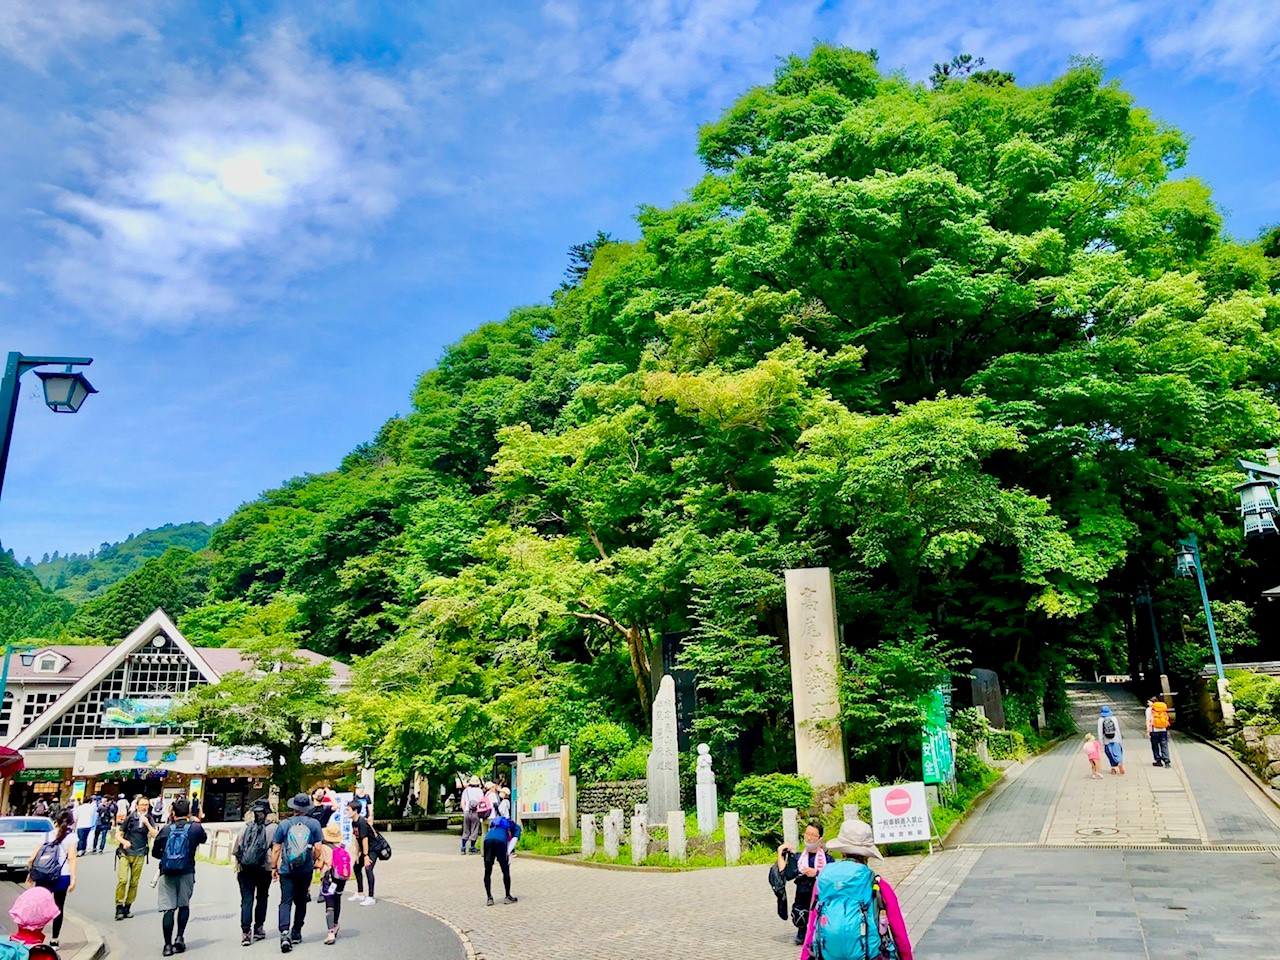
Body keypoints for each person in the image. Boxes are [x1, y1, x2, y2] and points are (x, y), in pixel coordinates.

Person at [799, 818, 912, 960]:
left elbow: (812, 928)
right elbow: (899, 933)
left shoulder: (823, 881)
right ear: (867, 855)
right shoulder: (877, 884)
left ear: (842, 852)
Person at [152, 796, 207, 957]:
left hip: (167, 872)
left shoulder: (166, 829)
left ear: (173, 813)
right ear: (189, 812)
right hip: (187, 870)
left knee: (168, 909)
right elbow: (203, 839)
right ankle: (180, 937)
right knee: (184, 905)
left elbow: (155, 852)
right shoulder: (195, 828)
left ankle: (167, 946)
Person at [271, 793, 323, 952]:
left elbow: (276, 849)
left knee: (285, 901)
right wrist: (313, 859)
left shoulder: (284, 824)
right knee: (301, 901)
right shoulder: (314, 824)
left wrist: (274, 867)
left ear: (293, 807)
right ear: (307, 808)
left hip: (287, 869)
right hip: (305, 870)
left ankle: (284, 933)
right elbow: (319, 848)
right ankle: (297, 932)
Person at [27, 809, 77, 950]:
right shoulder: (71, 838)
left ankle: (36, 936)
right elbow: (72, 859)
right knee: (58, 907)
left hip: (44, 876)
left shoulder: (46, 836)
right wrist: (73, 879)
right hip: (62, 875)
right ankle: (54, 940)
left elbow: (32, 858)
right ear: (71, 822)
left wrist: (31, 875)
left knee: (41, 906)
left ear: (55, 819)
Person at [776, 822, 826, 945]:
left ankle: (820, 934)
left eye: (813, 835)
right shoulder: (799, 858)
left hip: (820, 893)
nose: (809, 838)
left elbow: (833, 877)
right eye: (807, 834)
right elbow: (786, 874)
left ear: (819, 839)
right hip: (802, 893)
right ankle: (801, 933)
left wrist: (817, 872)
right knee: (800, 912)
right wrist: (780, 853)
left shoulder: (827, 858)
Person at [232, 800, 273, 946]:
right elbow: (276, 850)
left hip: (245, 869)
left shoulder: (245, 828)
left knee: (246, 900)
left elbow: (236, 850)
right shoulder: (273, 828)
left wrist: (237, 868)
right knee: (262, 897)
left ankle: (245, 933)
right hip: (264, 869)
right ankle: (259, 928)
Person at [114, 794, 158, 920]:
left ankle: (127, 906)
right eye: (142, 805)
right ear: (137, 806)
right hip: (126, 853)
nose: (144, 807)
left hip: (140, 853)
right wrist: (124, 842)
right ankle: (119, 906)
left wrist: (148, 824)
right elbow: (118, 834)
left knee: (134, 882)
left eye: (146, 805)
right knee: (123, 880)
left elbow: (155, 834)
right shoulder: (130, 817)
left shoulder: (149, 818)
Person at [317, 821, 353, 944]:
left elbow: (320, 863)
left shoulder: (324, 847)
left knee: (329, 904)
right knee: (338, 899)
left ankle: (331, 932)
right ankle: (336, 923)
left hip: (329, 878)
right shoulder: (344, 846)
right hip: (341, 878)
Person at [481, 811, 521, 906]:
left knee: (487, 871)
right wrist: (507, 853)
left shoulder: (495, 823)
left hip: (488, 840)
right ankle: (507, 896)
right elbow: (513, 841)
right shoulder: (516, 828)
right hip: (500, 842)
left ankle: (489, 898)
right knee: (505, 869)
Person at [347, 797, 378, 906]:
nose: (347, 812)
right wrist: (356, 854)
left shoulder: (362, 822)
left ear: (355, 811)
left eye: (348, 810)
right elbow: (356, 838)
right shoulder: (354, 822)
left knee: (368, 868)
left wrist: (365, 856)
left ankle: (371, 897)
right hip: (364, 850)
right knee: (356, 867)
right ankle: (360, 893)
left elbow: (365, 839)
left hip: (373, 849)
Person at [1098, 705, 1126, 775]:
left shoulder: (1100, 720)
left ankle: (1113, 769)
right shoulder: (1114, 718)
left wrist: (1101, 742)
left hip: (1106, 739)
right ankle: (1120, 763)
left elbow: (1100, 732)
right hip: (1115, 738)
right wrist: (1120, 738)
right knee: (1118, 752)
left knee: (1109, 753)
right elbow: (1117, 729)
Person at [460, 777, 483, 855]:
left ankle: (463, 848)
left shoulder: (466, 791)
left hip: (467, 811)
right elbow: (481, 802)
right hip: (476, 812)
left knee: (466, 830)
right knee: (474, 829)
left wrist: (465, 810)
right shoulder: (480, 791)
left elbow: (462, 802)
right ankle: (472, 848)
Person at [1148, 697, 1172, 768]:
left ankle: (1158, 761)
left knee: (1155, 746)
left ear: (1152, 702)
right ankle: (1167, 761)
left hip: (1154, 731)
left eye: (1149, 702)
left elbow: (1148, 721)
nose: (1148, 703)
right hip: (1163, 730)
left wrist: (1148, 730)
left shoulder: (1150, 710)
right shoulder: (1162, 708)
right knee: (1164, 746)